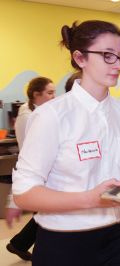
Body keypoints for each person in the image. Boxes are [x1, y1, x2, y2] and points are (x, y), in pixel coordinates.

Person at [12, 20, 120, 265]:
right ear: (80, 58)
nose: (117, 65)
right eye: (107, 55)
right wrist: (90, 198)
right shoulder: (52, 116)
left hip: (119, 235)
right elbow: (24, 193)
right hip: (65, 241)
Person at [5, 76, 56, 261]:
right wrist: (13, 201)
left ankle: (19, 243)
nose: (54, 96)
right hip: (36, 171)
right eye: (50, 92)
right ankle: (25, 246)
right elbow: (30, 151)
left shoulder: (38, 111)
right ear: (36, 95)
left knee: (43, 213)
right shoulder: (28, 116)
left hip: (41, 170)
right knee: (44, 214)